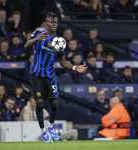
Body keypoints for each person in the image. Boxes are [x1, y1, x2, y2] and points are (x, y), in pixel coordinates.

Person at [24, 12, 87, 142]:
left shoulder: (59, 41)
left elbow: (62, 62)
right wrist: (37, 39)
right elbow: (26, 46)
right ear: (46, 23)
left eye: (56, 22)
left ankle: (51, 126)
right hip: (36, 74)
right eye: (51, 22)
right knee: (40, 103)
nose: (54, 24)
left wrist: (75, 67)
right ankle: (43, 131)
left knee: (54, 104)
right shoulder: (38, 33)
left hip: (50, 75)